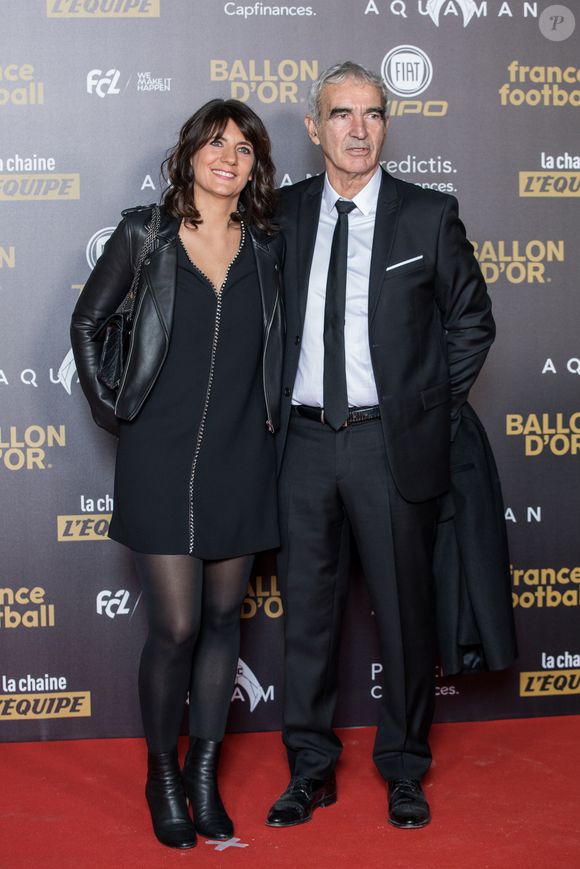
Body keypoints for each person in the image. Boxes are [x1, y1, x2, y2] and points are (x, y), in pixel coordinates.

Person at [266, 61, 495, 830]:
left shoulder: (428, 215)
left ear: (385, 124)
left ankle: (403, 766)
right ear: (314, 126)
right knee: (308, 619)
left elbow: (471, 320)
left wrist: (423, 409)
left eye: (371, 113)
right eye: (341, 114)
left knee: (404, 616)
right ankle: (309, 769)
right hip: (300, 443)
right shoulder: (283, 214)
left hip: (389, 446)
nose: (358, 129)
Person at [71, 99, 284, 850]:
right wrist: (116, 412)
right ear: (190, 151)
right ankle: (162, 773)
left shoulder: (267, 243)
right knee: (178, 624)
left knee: (226, 621)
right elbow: (87, 324)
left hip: (242, 455)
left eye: (246, 147)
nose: (229, 155)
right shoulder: (145, 233)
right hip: (158, 460)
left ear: (257, 166)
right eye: (216, 141)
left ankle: (203, 773)